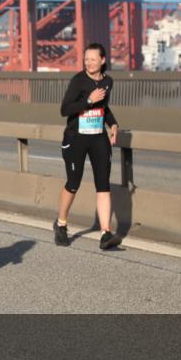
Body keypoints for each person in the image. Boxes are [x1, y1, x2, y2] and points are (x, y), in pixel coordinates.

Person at [54, 42, 122, 250]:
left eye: (93, 59)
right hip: (76, 138)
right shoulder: (78, 81)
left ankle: (105, 233)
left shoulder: (108, 81)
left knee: (103, 184)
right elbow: (65, 109)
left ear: (103, 60)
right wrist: (89, 101)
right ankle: (61, 224)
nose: (89, 63)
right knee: (73, 182)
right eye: (86, 59)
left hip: (97, 138)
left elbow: (104, 107)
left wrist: (113, 123)